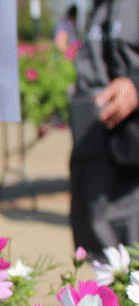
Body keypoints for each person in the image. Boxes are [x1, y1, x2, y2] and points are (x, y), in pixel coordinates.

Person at [69, 0, 139, 256]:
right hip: (95, 160)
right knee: (106, 274)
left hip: (130, 163)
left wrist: (135, 86)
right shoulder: (100, 6)